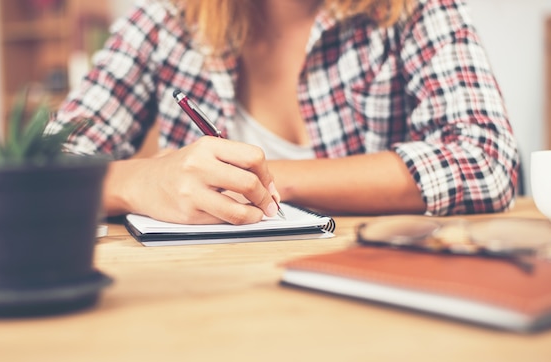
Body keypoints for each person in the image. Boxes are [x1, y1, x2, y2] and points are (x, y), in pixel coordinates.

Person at [50, 0, 519, 225]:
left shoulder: (413, 10)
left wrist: (265, 180)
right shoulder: (163, 23)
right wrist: (137, 182)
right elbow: (40, 170)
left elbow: (486, 160)